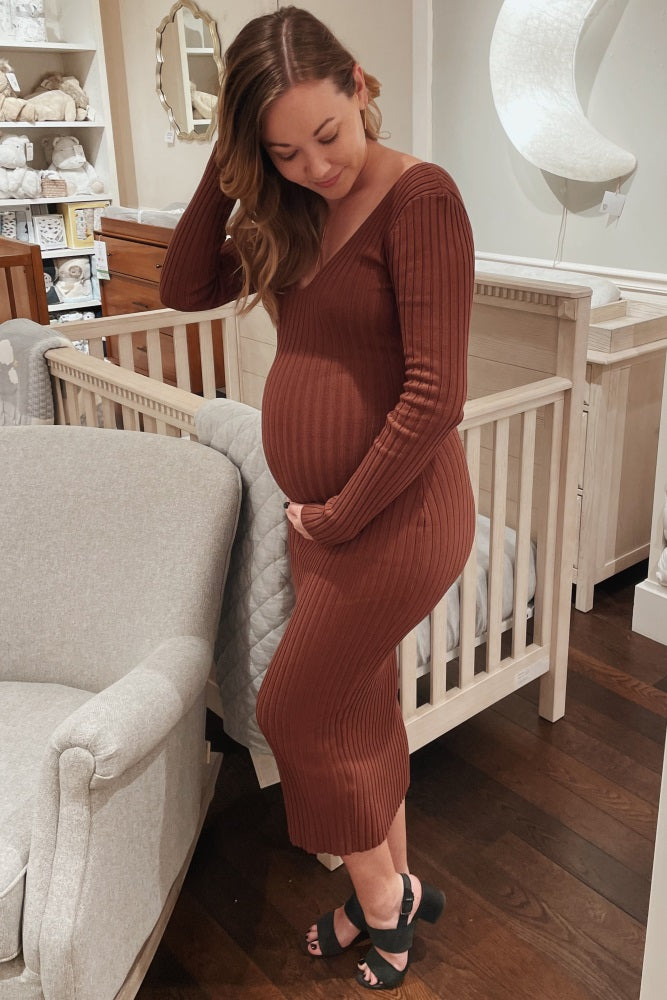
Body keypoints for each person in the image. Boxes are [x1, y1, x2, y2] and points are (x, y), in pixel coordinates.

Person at [160, 5, 475, 990]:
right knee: (359, 710)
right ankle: (395, 893)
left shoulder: (420, 199)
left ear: (359, 84)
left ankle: (382, 900)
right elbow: (183, 287)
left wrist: (340, 513)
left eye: (326, 135)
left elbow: (435, 394)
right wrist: (227, 167)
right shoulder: (291, 205)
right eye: (283, 151)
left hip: (398, 515)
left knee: (293, 710)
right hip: (326, 523)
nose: (315, 166)